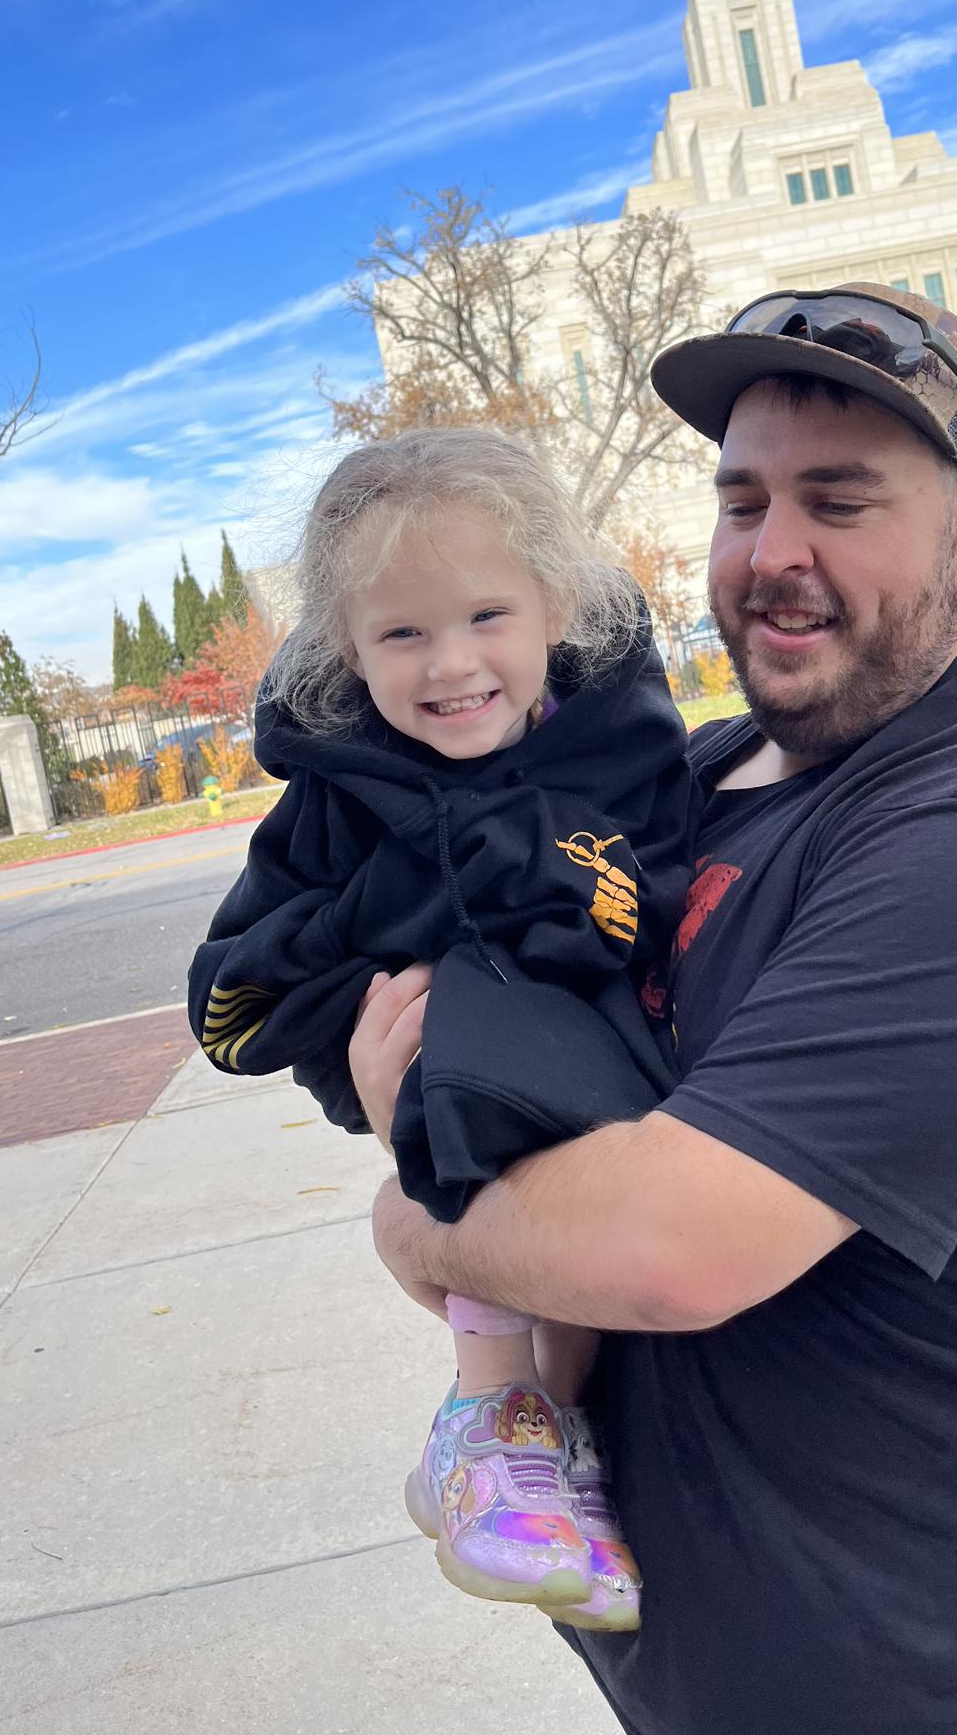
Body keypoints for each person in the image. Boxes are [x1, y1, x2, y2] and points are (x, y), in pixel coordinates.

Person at [356, 285, 957, 1735]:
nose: (773, 552)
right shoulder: (695, 783)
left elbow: (667, 1248)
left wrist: (415, 1204)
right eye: (743, 500)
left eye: (840, 499)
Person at [187, 426, 695, 1634]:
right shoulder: (337, 790)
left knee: (571, 1108)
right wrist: (392, 916)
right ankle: (491, 1412)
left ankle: (550, 1434)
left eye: (487, 615)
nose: (451, 662)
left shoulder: (614, 742)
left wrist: (526, 862)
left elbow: (651, 893)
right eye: (403, 633)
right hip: (418, 1048)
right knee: (476, 1018)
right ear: (347, 646)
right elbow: (231, 995)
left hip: (588, 1046)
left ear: (554, 604)